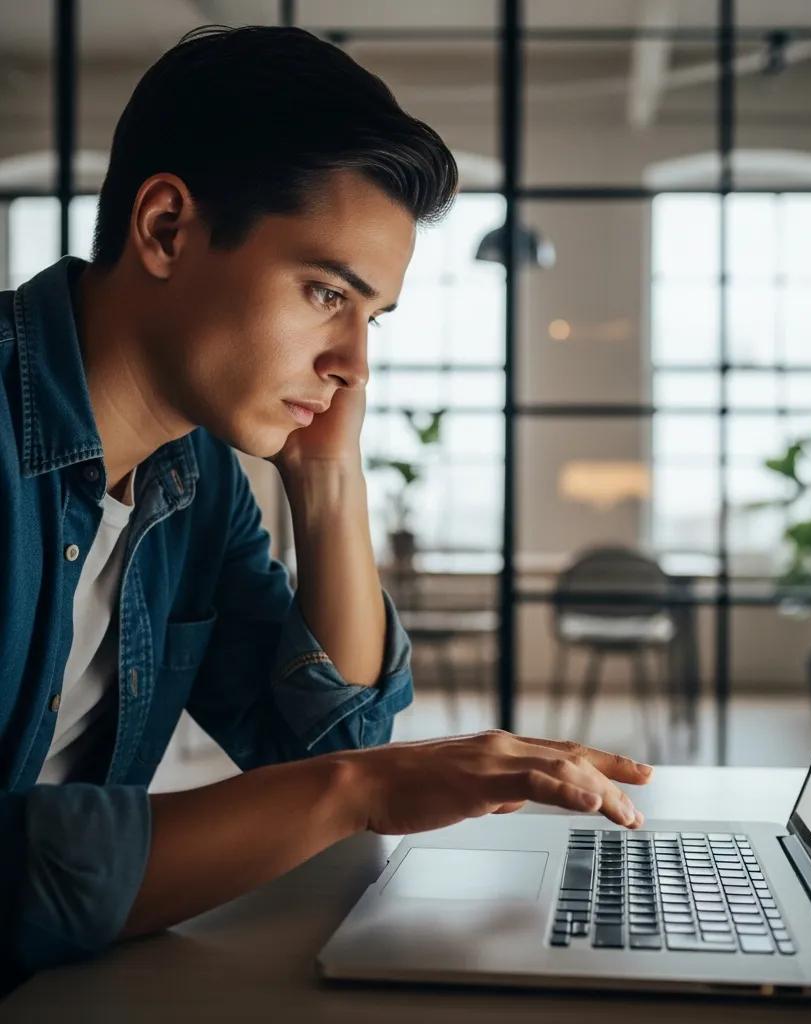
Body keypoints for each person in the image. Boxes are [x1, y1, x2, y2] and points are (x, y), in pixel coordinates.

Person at [0, 25, 652, 986]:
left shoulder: (196, 476)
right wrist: (359, 789)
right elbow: (345, 781)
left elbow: (328, 739)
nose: (354, 365)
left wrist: (328, 475)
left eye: (371, 318)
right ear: (167, 229)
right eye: (323, 293)